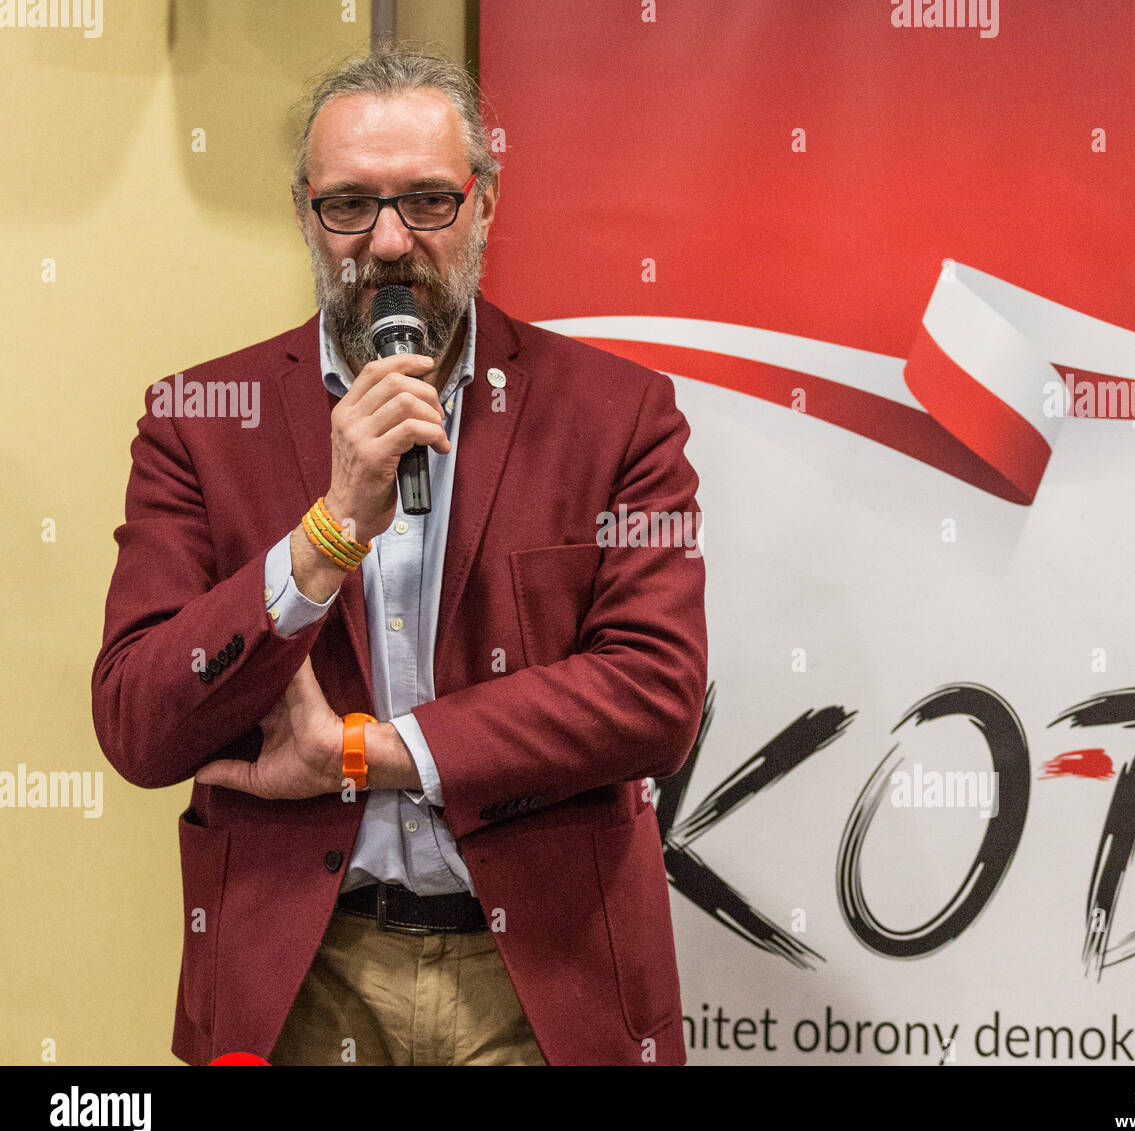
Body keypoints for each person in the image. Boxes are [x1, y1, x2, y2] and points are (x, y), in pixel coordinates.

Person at [91, 49, 707, 1067]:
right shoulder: (199, 422)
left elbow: (654, 694)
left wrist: (363, 752)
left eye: (427, 200)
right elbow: (138, 725)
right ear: (303, 213)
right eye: (348, 206)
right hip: (304, 972)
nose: (387, 241)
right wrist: (327, 532)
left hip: (544, 978)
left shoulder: (619, 415)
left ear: (485, 205)